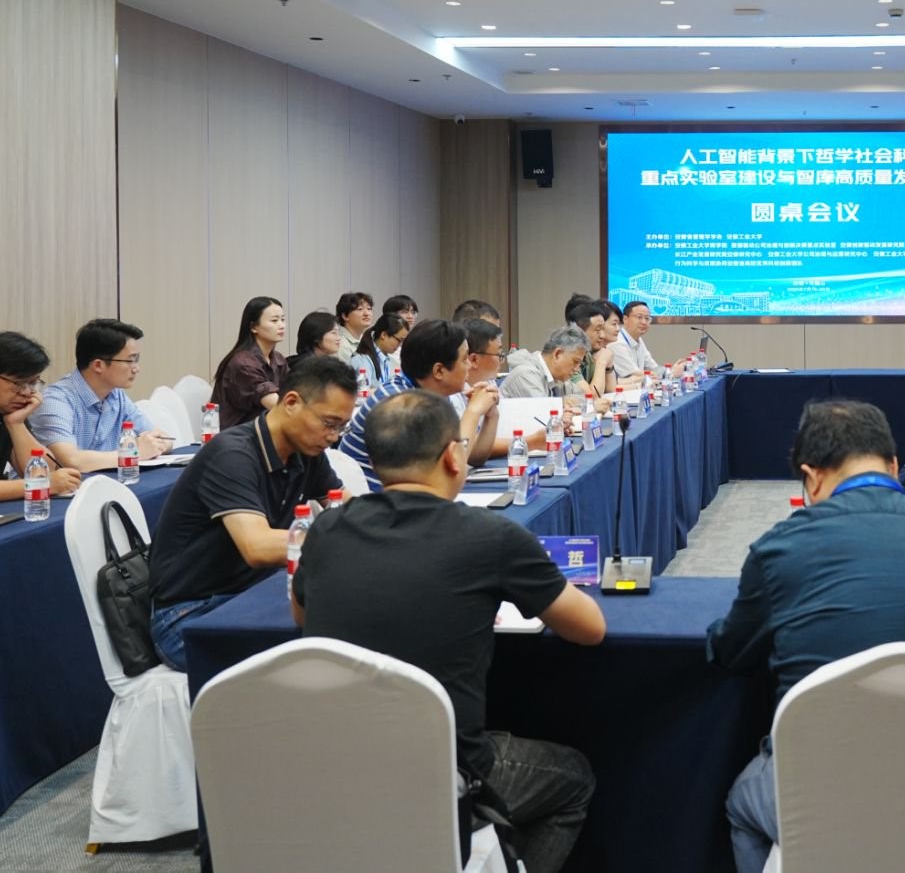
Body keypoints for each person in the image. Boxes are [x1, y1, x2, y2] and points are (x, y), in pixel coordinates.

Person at [707, 398, 905, 873]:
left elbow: (731, 652)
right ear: (894, 466)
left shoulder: (780, 548)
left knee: (742, 805)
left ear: (810, 477)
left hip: (824, 798)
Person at [293, 390, 605, 869]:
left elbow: (302, 617)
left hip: (333, 764)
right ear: (453, 457)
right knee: (574, 778)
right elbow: (589, 628)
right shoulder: (492, 536)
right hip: (447, 773)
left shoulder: (326, 529)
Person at [148, 356, 354, 670]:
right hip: (189, 616)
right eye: (329, 423)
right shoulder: (232, 455)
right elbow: (257, 547)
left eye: (341, 427)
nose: (334, 436)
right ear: (291, 402)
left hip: (251, 593)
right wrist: (346, 539)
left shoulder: (306, 450)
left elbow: (347, 505)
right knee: (326, 658)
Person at [338, 319, 502, 489]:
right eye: (464, 359)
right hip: (377, 500)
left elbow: (474, 457)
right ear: (439, 371)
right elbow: (452, 470)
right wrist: (473, 411)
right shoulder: (398, 402)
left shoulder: (433, 394)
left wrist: (491, 415)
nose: (469, 365)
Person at [0, 332, 81, 506]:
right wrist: (39, 485)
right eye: (19, 383)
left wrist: (16, 424)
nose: (27, 392)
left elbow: (44, 471)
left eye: (33, 383)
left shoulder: (5, 412)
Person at [31, 319, 171, 472]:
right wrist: (134, 452)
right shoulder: (56, 401)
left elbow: (164, 440)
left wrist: (155, 444)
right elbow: (71, 461)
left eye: (136, 360)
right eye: (130, 361)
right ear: (98, 365)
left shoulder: (116, 395)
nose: (136, 369)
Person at [211, 296, 290, 430]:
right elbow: (278, 407)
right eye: (274, 320)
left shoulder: (278, 359)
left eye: (282, 319)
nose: (281, 325)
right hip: (238, 435)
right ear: (254, 327)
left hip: (265, 431)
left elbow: (293, 392)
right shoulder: (244, 364)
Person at [499, 326, 590, 402]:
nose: (576, 369)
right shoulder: (526, 375)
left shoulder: (557, 377)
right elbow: (542, 412)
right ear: (557, 354)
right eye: (575, 362)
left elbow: (585, 397)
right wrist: (562, 403)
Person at [351, 312, 408, 389]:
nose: (400, 345)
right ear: (384, 335)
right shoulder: (361, 360)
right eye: (399, 340)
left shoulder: (389, 360)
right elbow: (362, 392)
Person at [612, 300, 663, 379]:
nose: (644, 322)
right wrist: (664, 374)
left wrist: (669, 371)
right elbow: (633, 375)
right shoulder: (617, 342)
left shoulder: (638, 339)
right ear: (625, 319)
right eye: (639, 317)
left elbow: (653, 367)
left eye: (647, 318)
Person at [333, 292, 374, 362]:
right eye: (360, 309)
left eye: (369, 309)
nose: (367, 313)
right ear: (345, 316)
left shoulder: (367, 340)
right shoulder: (339, 343)